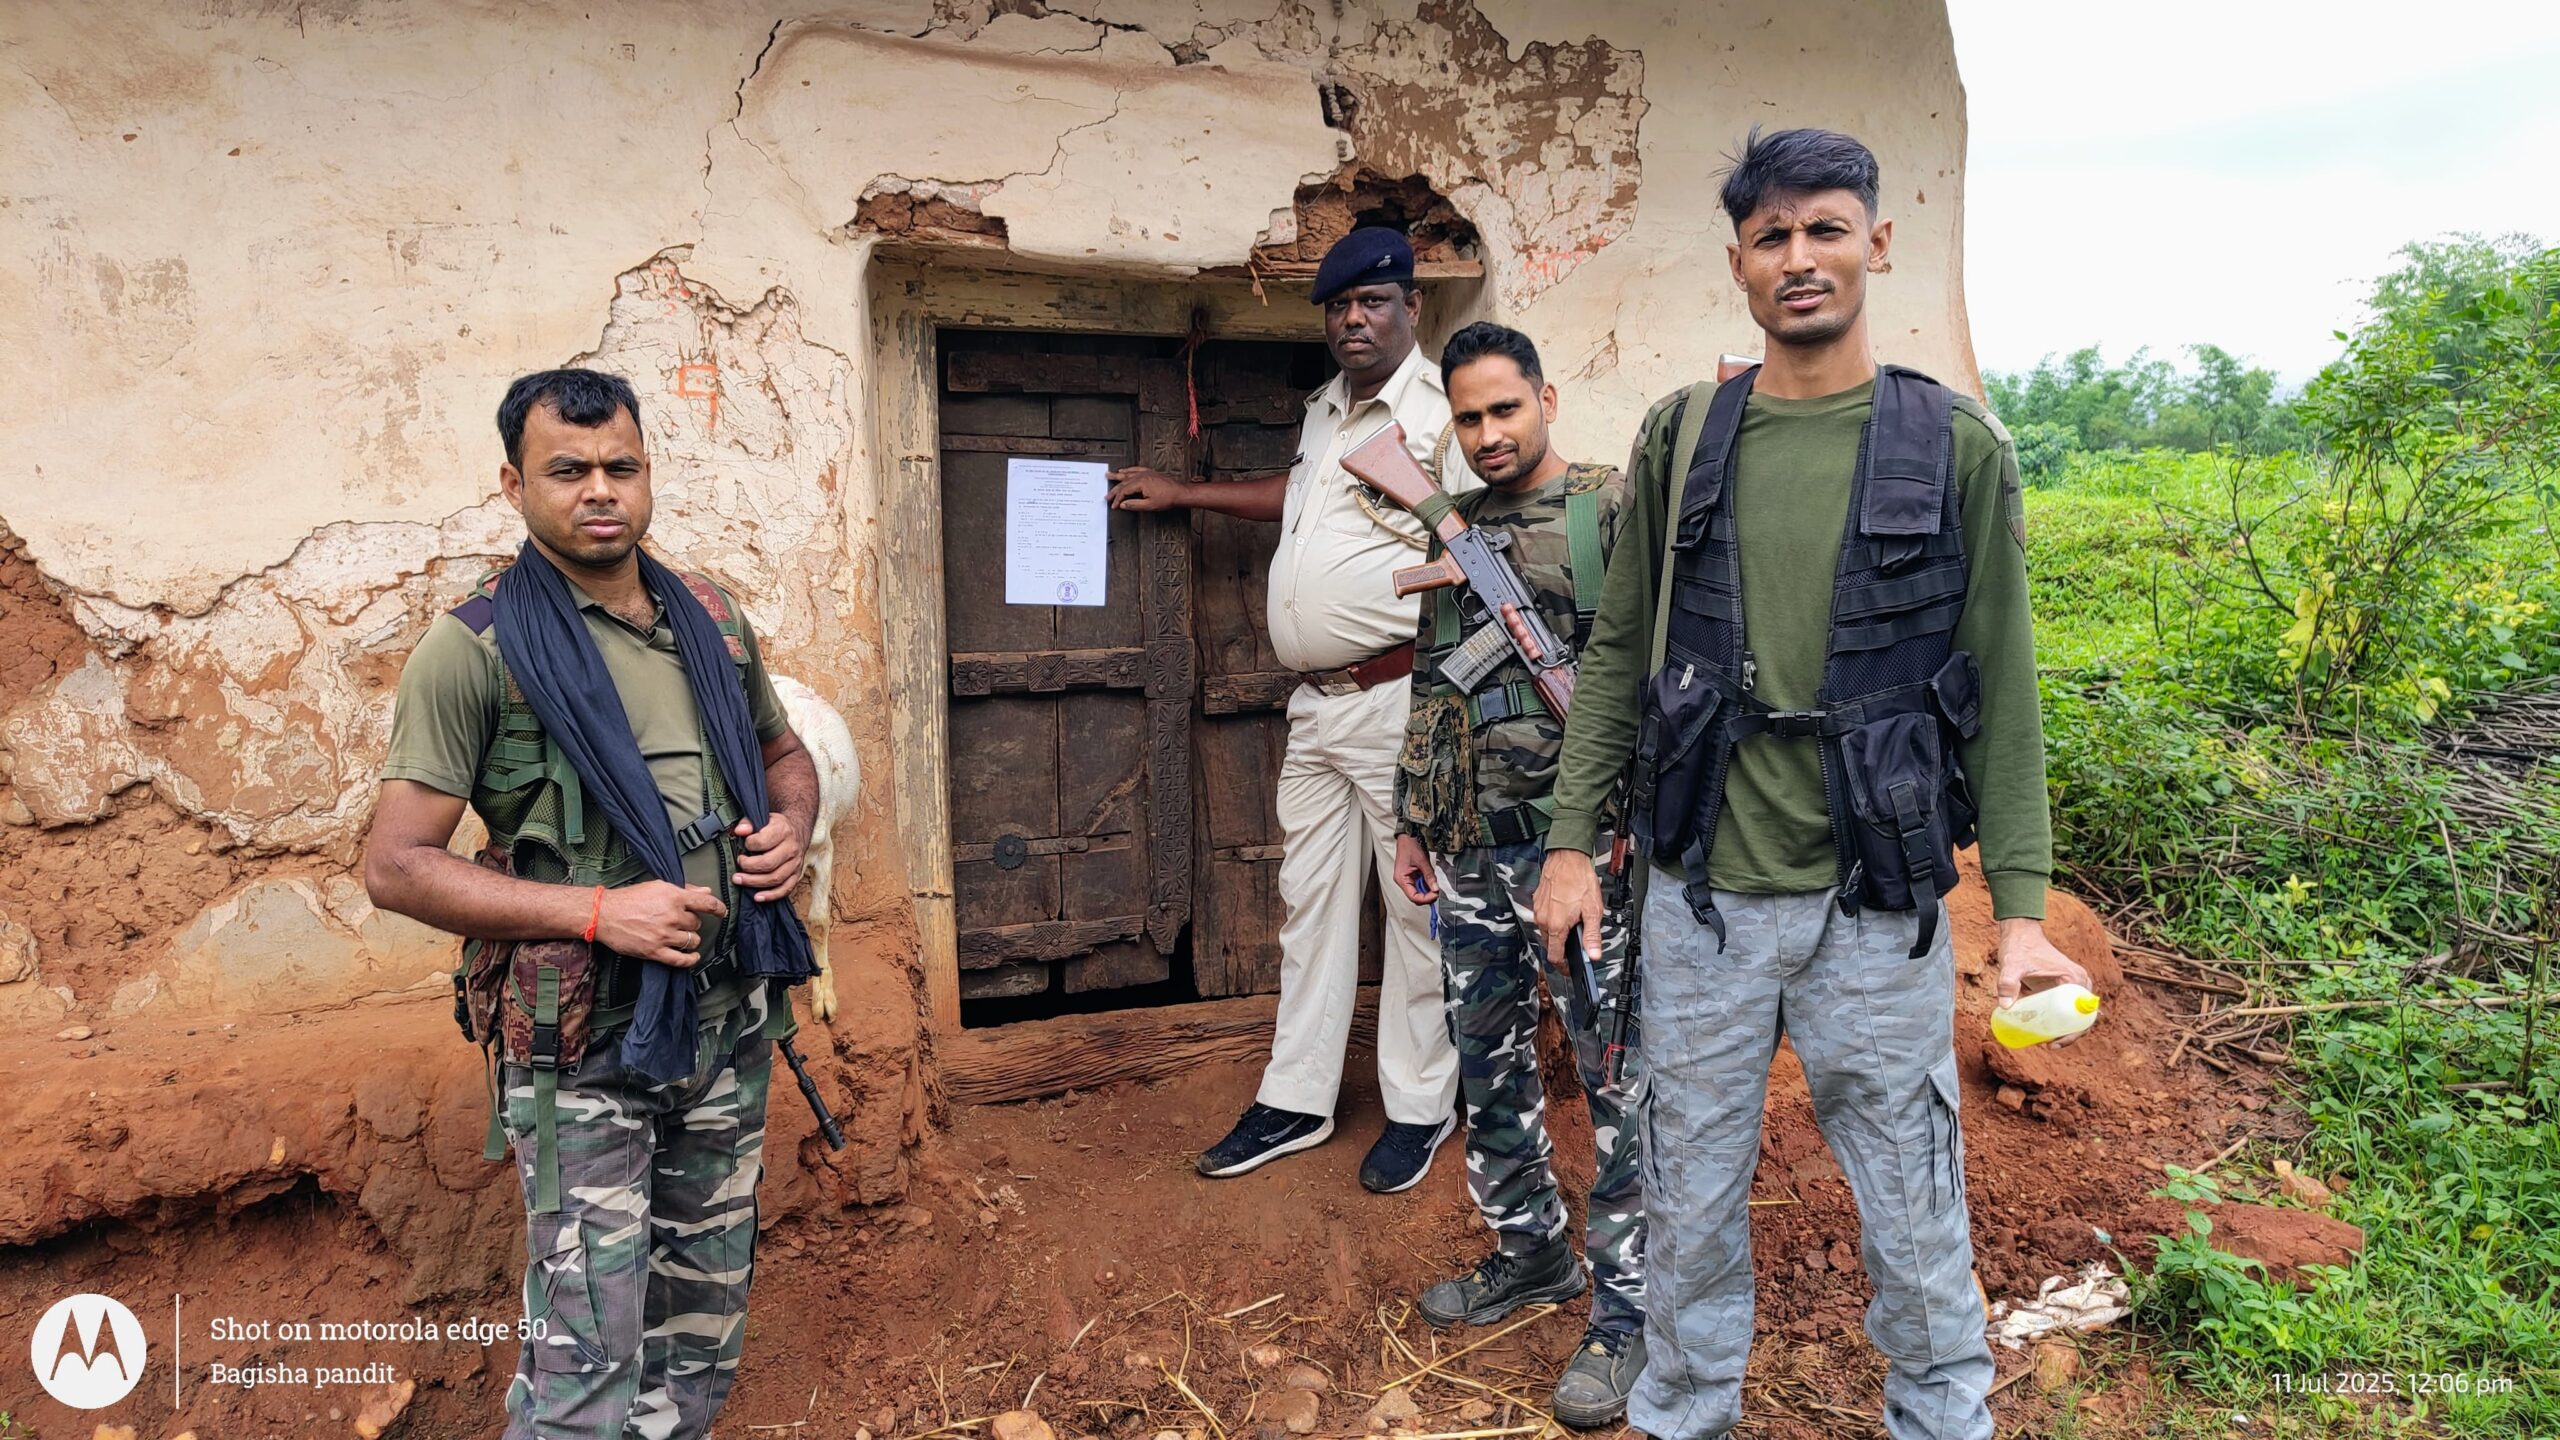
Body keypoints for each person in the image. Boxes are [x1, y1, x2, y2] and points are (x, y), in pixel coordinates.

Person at [1533, 129, 2093, 1440]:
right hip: (1701, 904)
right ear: (1737, 263)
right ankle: (1684, 1411)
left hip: (1876, 911)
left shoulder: (1953, 446)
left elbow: (2004, 687)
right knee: (1686, 1201)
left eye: (1826, 228)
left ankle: (1941, 1416)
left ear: (1876, 244)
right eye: (1771, 236)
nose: (1800, 257)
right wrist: (1569, 840)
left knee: (1912, 1200)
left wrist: (2020, 916)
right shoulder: (1682, 436)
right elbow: (1619, 654)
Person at [364, 369, 821, 1440]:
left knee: (700, 1334)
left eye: (621, 466)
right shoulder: (475, 649)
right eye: (568, 470)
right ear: (514, 484)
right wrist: (594, 913)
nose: (600, 490)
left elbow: (784, 754)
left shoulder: (710, 619)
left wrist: (792, 825)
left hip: (725, 1021)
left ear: (647, 471)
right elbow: (396, 865)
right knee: (586, 1358)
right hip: (584, 1044)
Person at [1107, 227, 1473, 1192]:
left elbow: (1482, 549)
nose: (1354, 320)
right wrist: (1186, 492)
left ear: (1412, 308)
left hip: (1401, 699)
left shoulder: (1443, 414)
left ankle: (1420, 1104)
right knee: (1309, 906)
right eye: (1339, 306)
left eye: (1374, 302)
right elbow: (1303, 500)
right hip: (1317, 708)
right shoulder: (1325, 410)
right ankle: (1298, 1097)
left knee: (1415, 912)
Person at [1386, 322, 1647, 1426]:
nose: (1489, 433)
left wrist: (1623, 826)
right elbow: (1433, 683)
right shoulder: (1453, 524)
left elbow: (1648, 675)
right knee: (1487, 1064)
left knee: (1616, 1076)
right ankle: (1532, 1253)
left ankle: (1633, 1312)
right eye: (1469, 417)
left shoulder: (1608, 508)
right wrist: (1413, 816)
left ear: (1546, 398)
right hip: (1468, 850)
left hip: (1579, 856)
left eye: (1505, 408)